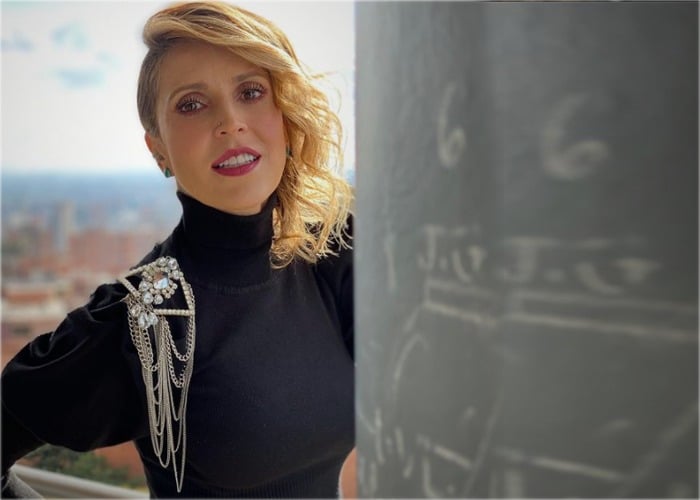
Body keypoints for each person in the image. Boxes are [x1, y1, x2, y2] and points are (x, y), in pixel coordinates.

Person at [1, 1, 355, 497]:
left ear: (284, 115)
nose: (231, 121)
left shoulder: (329, 251)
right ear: (159, 150)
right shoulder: (150, 318)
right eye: (191, 104)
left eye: (251, 92)